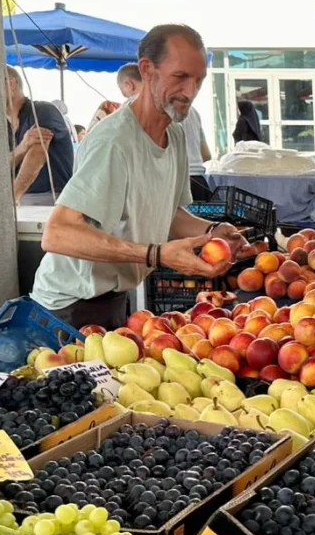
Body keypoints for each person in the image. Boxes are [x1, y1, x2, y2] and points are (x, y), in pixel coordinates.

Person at [31, 24, 252, 330]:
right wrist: (156, 254)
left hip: (113, 297)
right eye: (181, 77)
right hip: (68, 307)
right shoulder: (114, 142)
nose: (190, 92)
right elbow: (57, 234)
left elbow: (169, 214)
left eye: (198, 80)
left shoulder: (173, 134)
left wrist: (213, 230)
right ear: (147, 70)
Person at [120, 63, 212, 199]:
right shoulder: (191, 110)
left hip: (170, 182)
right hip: (200, 181)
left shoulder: (133, 109)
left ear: (129, 84)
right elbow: (206, 154)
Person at [5, 66, 75, 206]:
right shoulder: (1, 126)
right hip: (21, 198)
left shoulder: (43, 111)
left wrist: (11, 198)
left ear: (11, 84)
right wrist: (22, 147)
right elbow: (0, 165)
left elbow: (37, 155)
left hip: (52, 197)